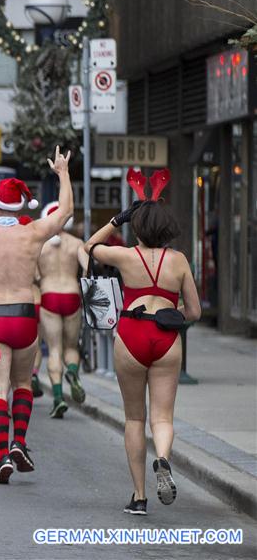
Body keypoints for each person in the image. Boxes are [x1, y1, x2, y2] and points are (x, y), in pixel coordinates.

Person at [83, 168, 200, 515]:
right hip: (165, 338)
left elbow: (90, 246)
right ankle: (162, 459)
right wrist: (171, 310)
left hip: (132, 335)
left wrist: (119, 218)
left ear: (137, 227)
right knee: (162, 418)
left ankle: (139, 496)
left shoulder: (124, 257)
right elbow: (193, 310)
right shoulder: (178, 261)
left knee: (134, 419)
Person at [0, 148, 74, 484]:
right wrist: (62, 172)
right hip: (26, 315)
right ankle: (20, 442)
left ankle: (2, 456)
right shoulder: (33, 233)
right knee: (22, 383)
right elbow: (66, 210)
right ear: (21, 207)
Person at [37, 201, 88, 418]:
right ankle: (73, 373)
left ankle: (58, 397)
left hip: (49, 295)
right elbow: (87, 268)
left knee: (54, 348)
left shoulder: (41, 244)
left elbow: (33, 274)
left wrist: (41, 280)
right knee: (71, 346)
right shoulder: (77, 243)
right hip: (72, 295)